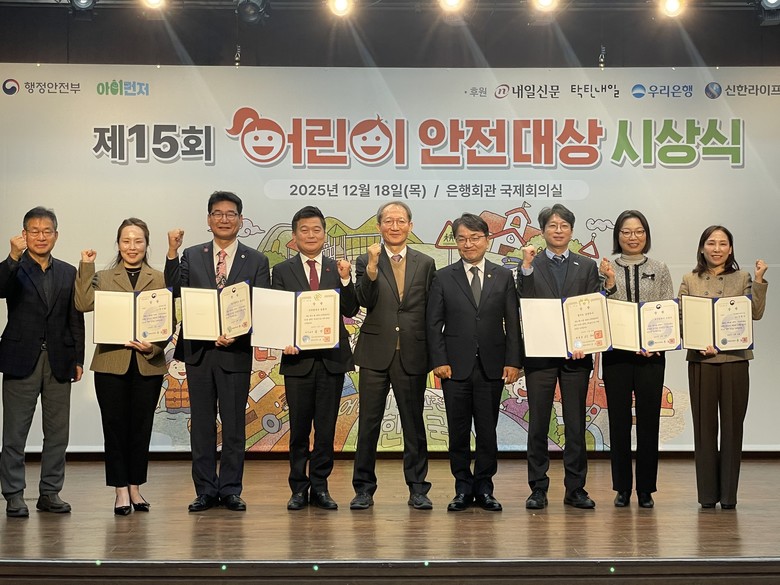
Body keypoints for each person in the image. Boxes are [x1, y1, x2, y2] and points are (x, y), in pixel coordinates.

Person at [165, 191, 270, 512]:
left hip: (235, 352)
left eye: (230, 214)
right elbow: (175, 290)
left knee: (235, 424)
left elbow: (262, 306)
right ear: (208, 219)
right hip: (199, 351)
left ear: (240, 219)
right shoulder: (191, 255)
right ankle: (205, 490)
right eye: (218, 214)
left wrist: (238, 333)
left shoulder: (256, 260)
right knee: (202, 424)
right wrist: (172, 252)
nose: (224, 219)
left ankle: (231, 489)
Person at [427, 213, 522, 512]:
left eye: (475, 238)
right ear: (456, 242)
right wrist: (439, 360)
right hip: (454, 368)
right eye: (462, 239)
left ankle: (484, 488)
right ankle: (462, 488)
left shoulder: (503, 276)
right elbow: (433, 324)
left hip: (492, 366)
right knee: (457, 432)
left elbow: (513, 323)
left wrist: (513, 361)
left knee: (487, 431)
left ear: (487, 240)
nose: (468, 244)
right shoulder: (443, 276)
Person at [75, 218, 168, 516]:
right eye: (126, 241)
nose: (132, 247)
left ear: (146, 244)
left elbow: (168, 323)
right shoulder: (103, 276)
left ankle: (135, 487)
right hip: (110, 363)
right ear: (118, 244)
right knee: (114, 428)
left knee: (141, 428)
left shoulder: (159, 278)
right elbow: (82, 303)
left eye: (138, 241)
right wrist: (86, 265)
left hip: (147, 364)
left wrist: (153, 348)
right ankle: (120, 491)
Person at [272, 206, 359, 511]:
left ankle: (320, 487)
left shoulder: (338, 268)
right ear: (294, 236)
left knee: (325, 429)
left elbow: (350, 310)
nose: (311, 235)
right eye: (304, 230)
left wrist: (347, 281)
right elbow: (278, 313)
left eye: (316, 230)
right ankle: (298, 488)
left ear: (325, 234)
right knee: (298, 429)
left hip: (331, 360)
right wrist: (285, 339)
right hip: (297, 361)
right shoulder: (282, 271)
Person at [350, 201, 436, 510]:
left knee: (413, 424)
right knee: (368, 424)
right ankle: (363, 489)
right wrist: (372, 268)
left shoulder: (425, 263)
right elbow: (363, 300)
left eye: (401, 221)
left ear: (410, 226)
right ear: (379, 226)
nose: (395, 226)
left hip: (412, 351)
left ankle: (418, 488)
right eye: (388, 221)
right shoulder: (366, 259)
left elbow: (431, 309)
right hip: (375, 352)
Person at [0, 206, 85, 518]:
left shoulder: (68, 272)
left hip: (60, 360)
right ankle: (13, 495)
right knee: (14, 433)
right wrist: (12, 257)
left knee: (58, 433)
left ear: (56, 235)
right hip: (20, 359)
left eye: (47, 231)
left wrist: (78, 357)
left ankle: (50, 492)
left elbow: (75, 318)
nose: (41, 236)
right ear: (24, 235)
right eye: (34, 231)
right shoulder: (14, 267)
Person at [517, 203, 600, 510]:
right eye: (552, 225)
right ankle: (538, 488)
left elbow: (592, 306)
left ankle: (575, 489)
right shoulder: (530, 263)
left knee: (575, 424)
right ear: (542, 231)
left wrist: (584, 341)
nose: (558, 230)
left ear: (571, 230)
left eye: (564, 225)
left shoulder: (586, 266)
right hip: (540, 355)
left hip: (576, 357)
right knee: (539, 422)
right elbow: (523, 300)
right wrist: (526, 267)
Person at [679, 225, 767, 510]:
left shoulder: (743, 278)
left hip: (735, 360)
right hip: (701, 361)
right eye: (711, 243)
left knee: (732, 428)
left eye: (723, 243)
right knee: (704, 429)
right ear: (702, 247)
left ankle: (729, 496)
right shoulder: (689, 279)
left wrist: (760, 280)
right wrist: (697, 342)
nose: (716, 249)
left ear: (730, 249)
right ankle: (707, 495)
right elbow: (680, 319)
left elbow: (755, 313)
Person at [599, 210, 674, 509]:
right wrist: (609, 282)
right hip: (616, 355)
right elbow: (599, 311)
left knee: (648, 422)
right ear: (618, 235)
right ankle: (621, 488)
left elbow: (668, 310)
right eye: (627, 232)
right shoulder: (605, 267)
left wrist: (657, 343)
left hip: (651, 356)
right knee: (618, 423)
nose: (633, 237)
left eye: (639, 231)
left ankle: (646, 489)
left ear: (646, 234)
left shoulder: (660, 268)